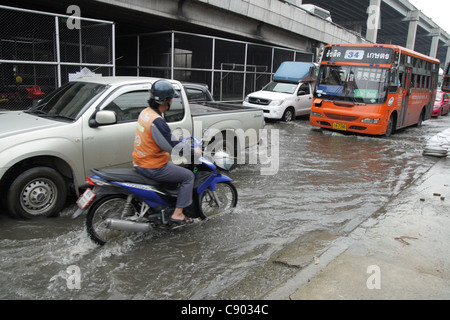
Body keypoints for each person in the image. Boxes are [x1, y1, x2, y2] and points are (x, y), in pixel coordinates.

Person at [133, 79, 198, 225]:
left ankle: (164, 205)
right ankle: (178, 213)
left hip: (139, 161)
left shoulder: (145, 113)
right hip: (152, 165)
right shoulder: (157, 121)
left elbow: (158, 138)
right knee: (187, 176)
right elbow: (172, 146)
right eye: (171, 99)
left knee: (175, 174)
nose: (172, 102)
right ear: (166, 100)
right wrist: (193, 150)